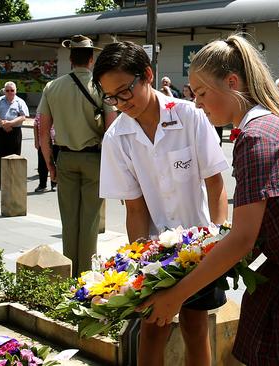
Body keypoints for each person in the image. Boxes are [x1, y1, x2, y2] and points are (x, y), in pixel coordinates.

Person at [138, 34, 279, 366]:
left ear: (232, 82)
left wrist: (176, 296)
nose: (197, 104)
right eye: (193, 95)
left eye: (202, 93)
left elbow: (243, 238)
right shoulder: (262, 126)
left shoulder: (257, 137)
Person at [94, 41, 229, 366]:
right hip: (154, 250)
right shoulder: (117, 138)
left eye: (125, 91)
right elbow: (135, 209)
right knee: (152, 329)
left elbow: (215, 184)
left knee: (197, 328)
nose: (120, 103)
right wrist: (141, 264)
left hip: (199, 246)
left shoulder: (190, 116)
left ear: (148, 75)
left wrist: (218, 239)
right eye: (111, 96)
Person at [36, 34, 118, 276]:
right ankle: (86, 275)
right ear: (91, 60)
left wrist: (49, 164)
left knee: (69, 220)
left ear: (71, 59)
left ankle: (70, 272)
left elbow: (43, 131)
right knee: (91, 219)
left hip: (66, 157)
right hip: (94, 157)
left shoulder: (52, 87)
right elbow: (111, 128)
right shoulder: (101, 86)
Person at [0, 81, 28, 190]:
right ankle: (0, 181)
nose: (10, 92)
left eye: (12, 90)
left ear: (16, 91)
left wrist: (10, 123)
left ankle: (13, 182)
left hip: (14, 132)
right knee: (0, 156)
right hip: (0, 132)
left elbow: (23, 117)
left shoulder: (20, 102)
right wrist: (3, 124)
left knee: (14, 156)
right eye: (7, 90)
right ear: (4, 91)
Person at [33, 113, 58, 192]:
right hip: (43, 142)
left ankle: (54, 183)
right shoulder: (41, 111)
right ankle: (42, 185)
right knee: (42, 165)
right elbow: (35, 125)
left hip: (56, 142)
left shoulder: (58, 110)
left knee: (55, 164)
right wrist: (36, 141)